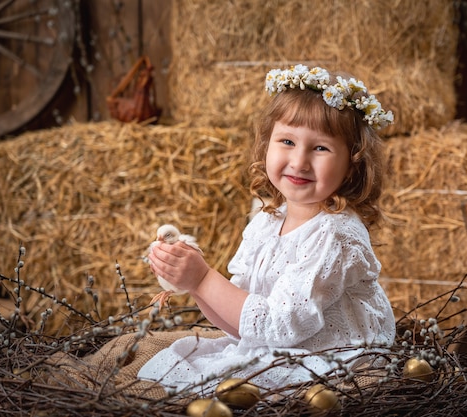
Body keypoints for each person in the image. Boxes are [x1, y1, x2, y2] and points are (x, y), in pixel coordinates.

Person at [137, 64, 396, 393]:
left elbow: (280, 324)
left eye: (320, 148)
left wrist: (203, 277)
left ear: (352, 165)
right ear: (266, 145)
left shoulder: (337, 236)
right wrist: (194, 285)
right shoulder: (267, 221)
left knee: (231, 378)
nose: (299, 161)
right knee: (188, 359)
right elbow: (244, 325)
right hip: (281, 346)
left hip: (334, 358)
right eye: (287, 141)